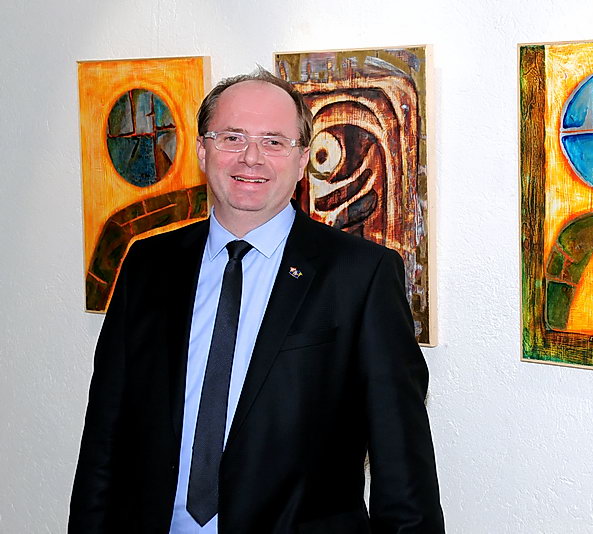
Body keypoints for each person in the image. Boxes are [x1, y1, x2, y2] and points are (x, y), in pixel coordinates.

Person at [70, 67, 445, 533]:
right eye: (232, 138)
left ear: (302, 159)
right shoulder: (148, 265)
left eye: (273, 141)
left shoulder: (360, 276)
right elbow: (103, 440)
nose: (251, 158)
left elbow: (403, 467)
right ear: (203, 151)